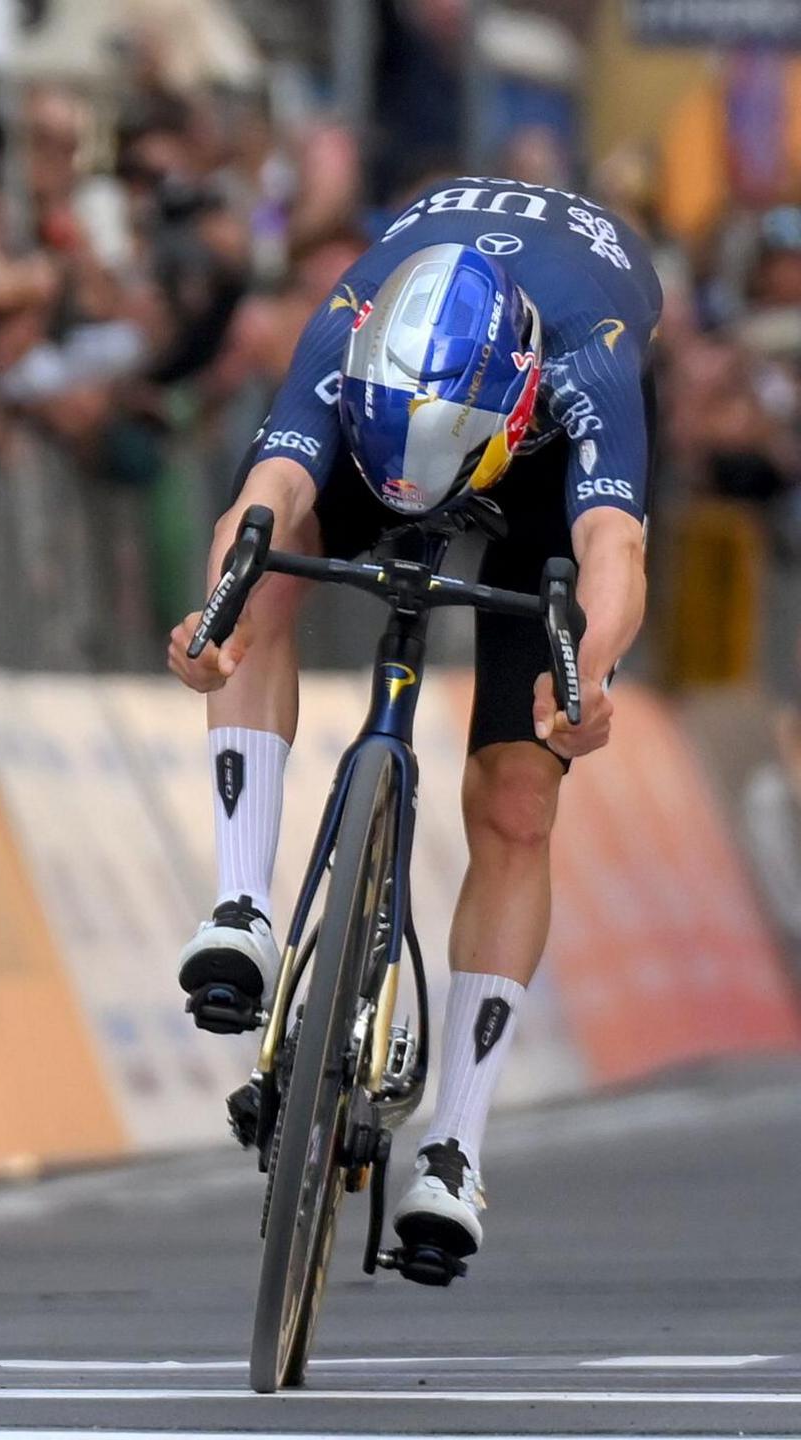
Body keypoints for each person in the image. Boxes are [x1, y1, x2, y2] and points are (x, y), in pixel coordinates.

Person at [163, 176, 662, 1275]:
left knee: (519, 797)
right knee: (259, 599)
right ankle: (240, 903)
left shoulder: (591, 354)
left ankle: (456, 1146)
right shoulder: (349, 318)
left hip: (524, 485)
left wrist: (589, 677)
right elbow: (270, 495)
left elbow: (612, 554)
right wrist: (217, 615)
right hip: (397, 411)